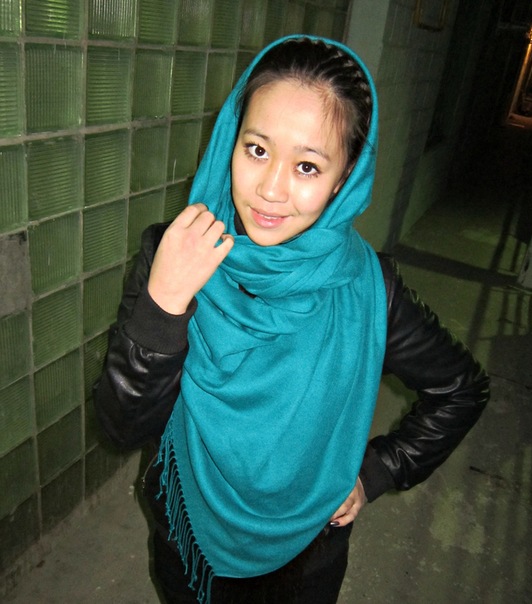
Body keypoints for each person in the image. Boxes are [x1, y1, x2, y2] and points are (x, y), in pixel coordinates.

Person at [94, 35, 489, 604]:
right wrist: (164, 304)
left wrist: (378, 471)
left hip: (307, 558)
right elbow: (121, 427)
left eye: (307, 166)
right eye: (257, 150)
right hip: (189, 536)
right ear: (231, 142)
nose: (271, 190)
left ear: (344, 177)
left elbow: (461, 388)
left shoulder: (368, 290)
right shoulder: (174, 252)